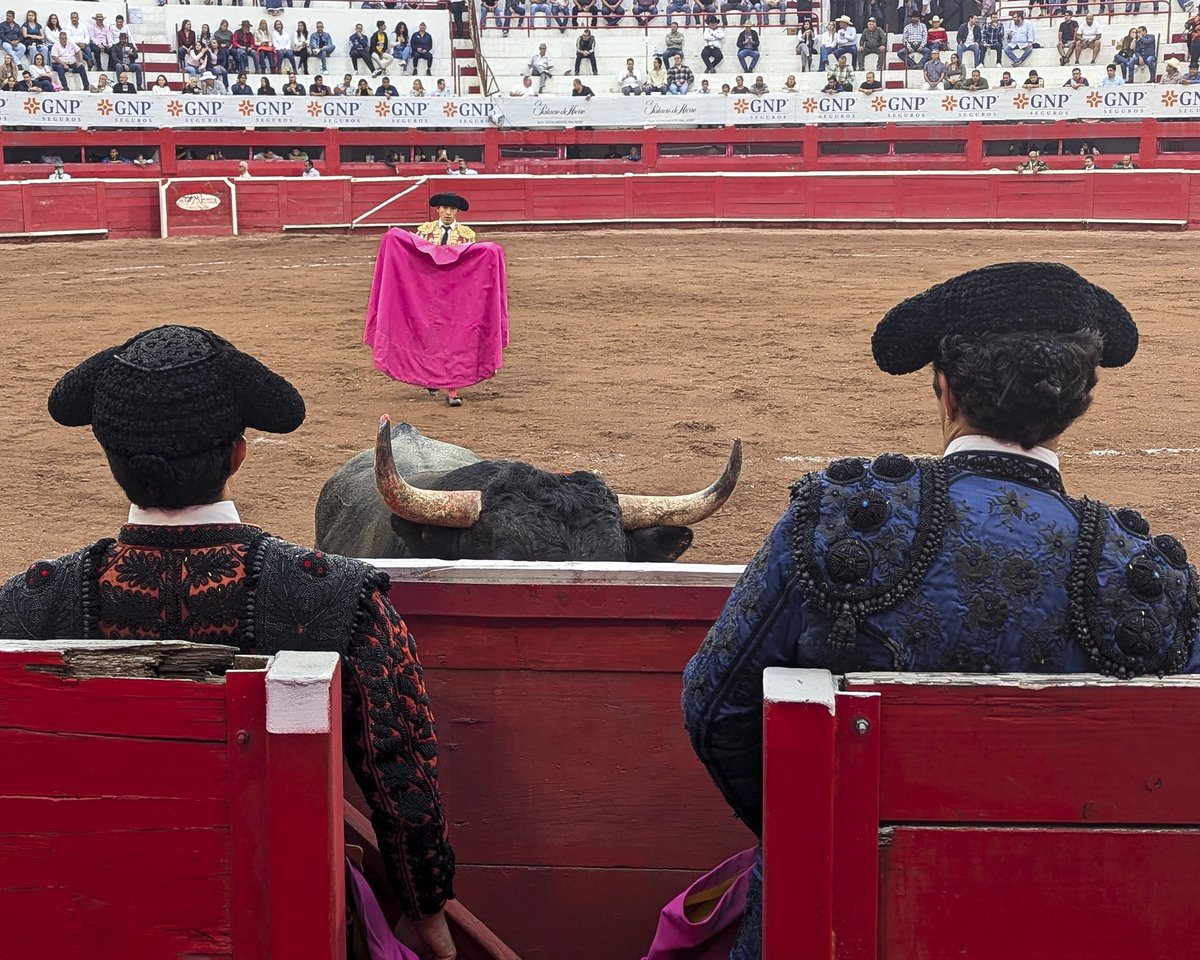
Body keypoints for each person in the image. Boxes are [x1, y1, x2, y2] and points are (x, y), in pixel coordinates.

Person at [681, 262, 1199, 960]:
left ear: (945, 391)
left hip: (836, 913)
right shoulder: (1150, 574)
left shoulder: (841, 518)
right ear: (1080, 403)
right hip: (1073, 927)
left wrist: (815, 831)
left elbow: (715, 708)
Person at [0, 327, 458, 960]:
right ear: (238, 455)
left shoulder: (30, 603)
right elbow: (400, 776)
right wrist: (425, 904)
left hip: (74, 916)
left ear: (110, 456)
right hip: (278, 909)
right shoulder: (336, 598)